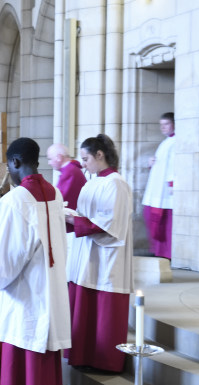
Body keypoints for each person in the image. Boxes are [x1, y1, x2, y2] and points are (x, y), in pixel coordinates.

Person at [0, 137, 71, 385]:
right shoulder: (54, 193)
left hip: (27, 294)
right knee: (42, 360)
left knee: (25, 359)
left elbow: (8, 256)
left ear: (15, 163)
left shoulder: (15, 201)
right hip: (52, 289)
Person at [65, 134, 133, 373]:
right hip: (87, 254)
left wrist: (73, 219)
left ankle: (104, 361)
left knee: (103, 313)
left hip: (106, 258)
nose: (82, 164)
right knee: (84, 307)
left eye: (85, 158)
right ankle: (83, 356)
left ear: (100, 155)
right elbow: (85, 216)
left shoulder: (116, 183)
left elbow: (109, 224)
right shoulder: (92, 181)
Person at [142, 112, 175, 259]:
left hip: (166, 191)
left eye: (166, 124)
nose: (162, 127)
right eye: (161, 125)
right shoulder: (166, 141)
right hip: (157, 187)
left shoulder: (176, 142)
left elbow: (174, 166)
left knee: (165, 223)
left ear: (174, 124)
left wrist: (172, 184)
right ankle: (159, 250)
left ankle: (166, 252)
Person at [46, 143, 86, 210]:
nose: (49, 163)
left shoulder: (69, 171)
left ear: (59, 157)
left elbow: (58, 198)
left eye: (50, 159)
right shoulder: (71, 168)